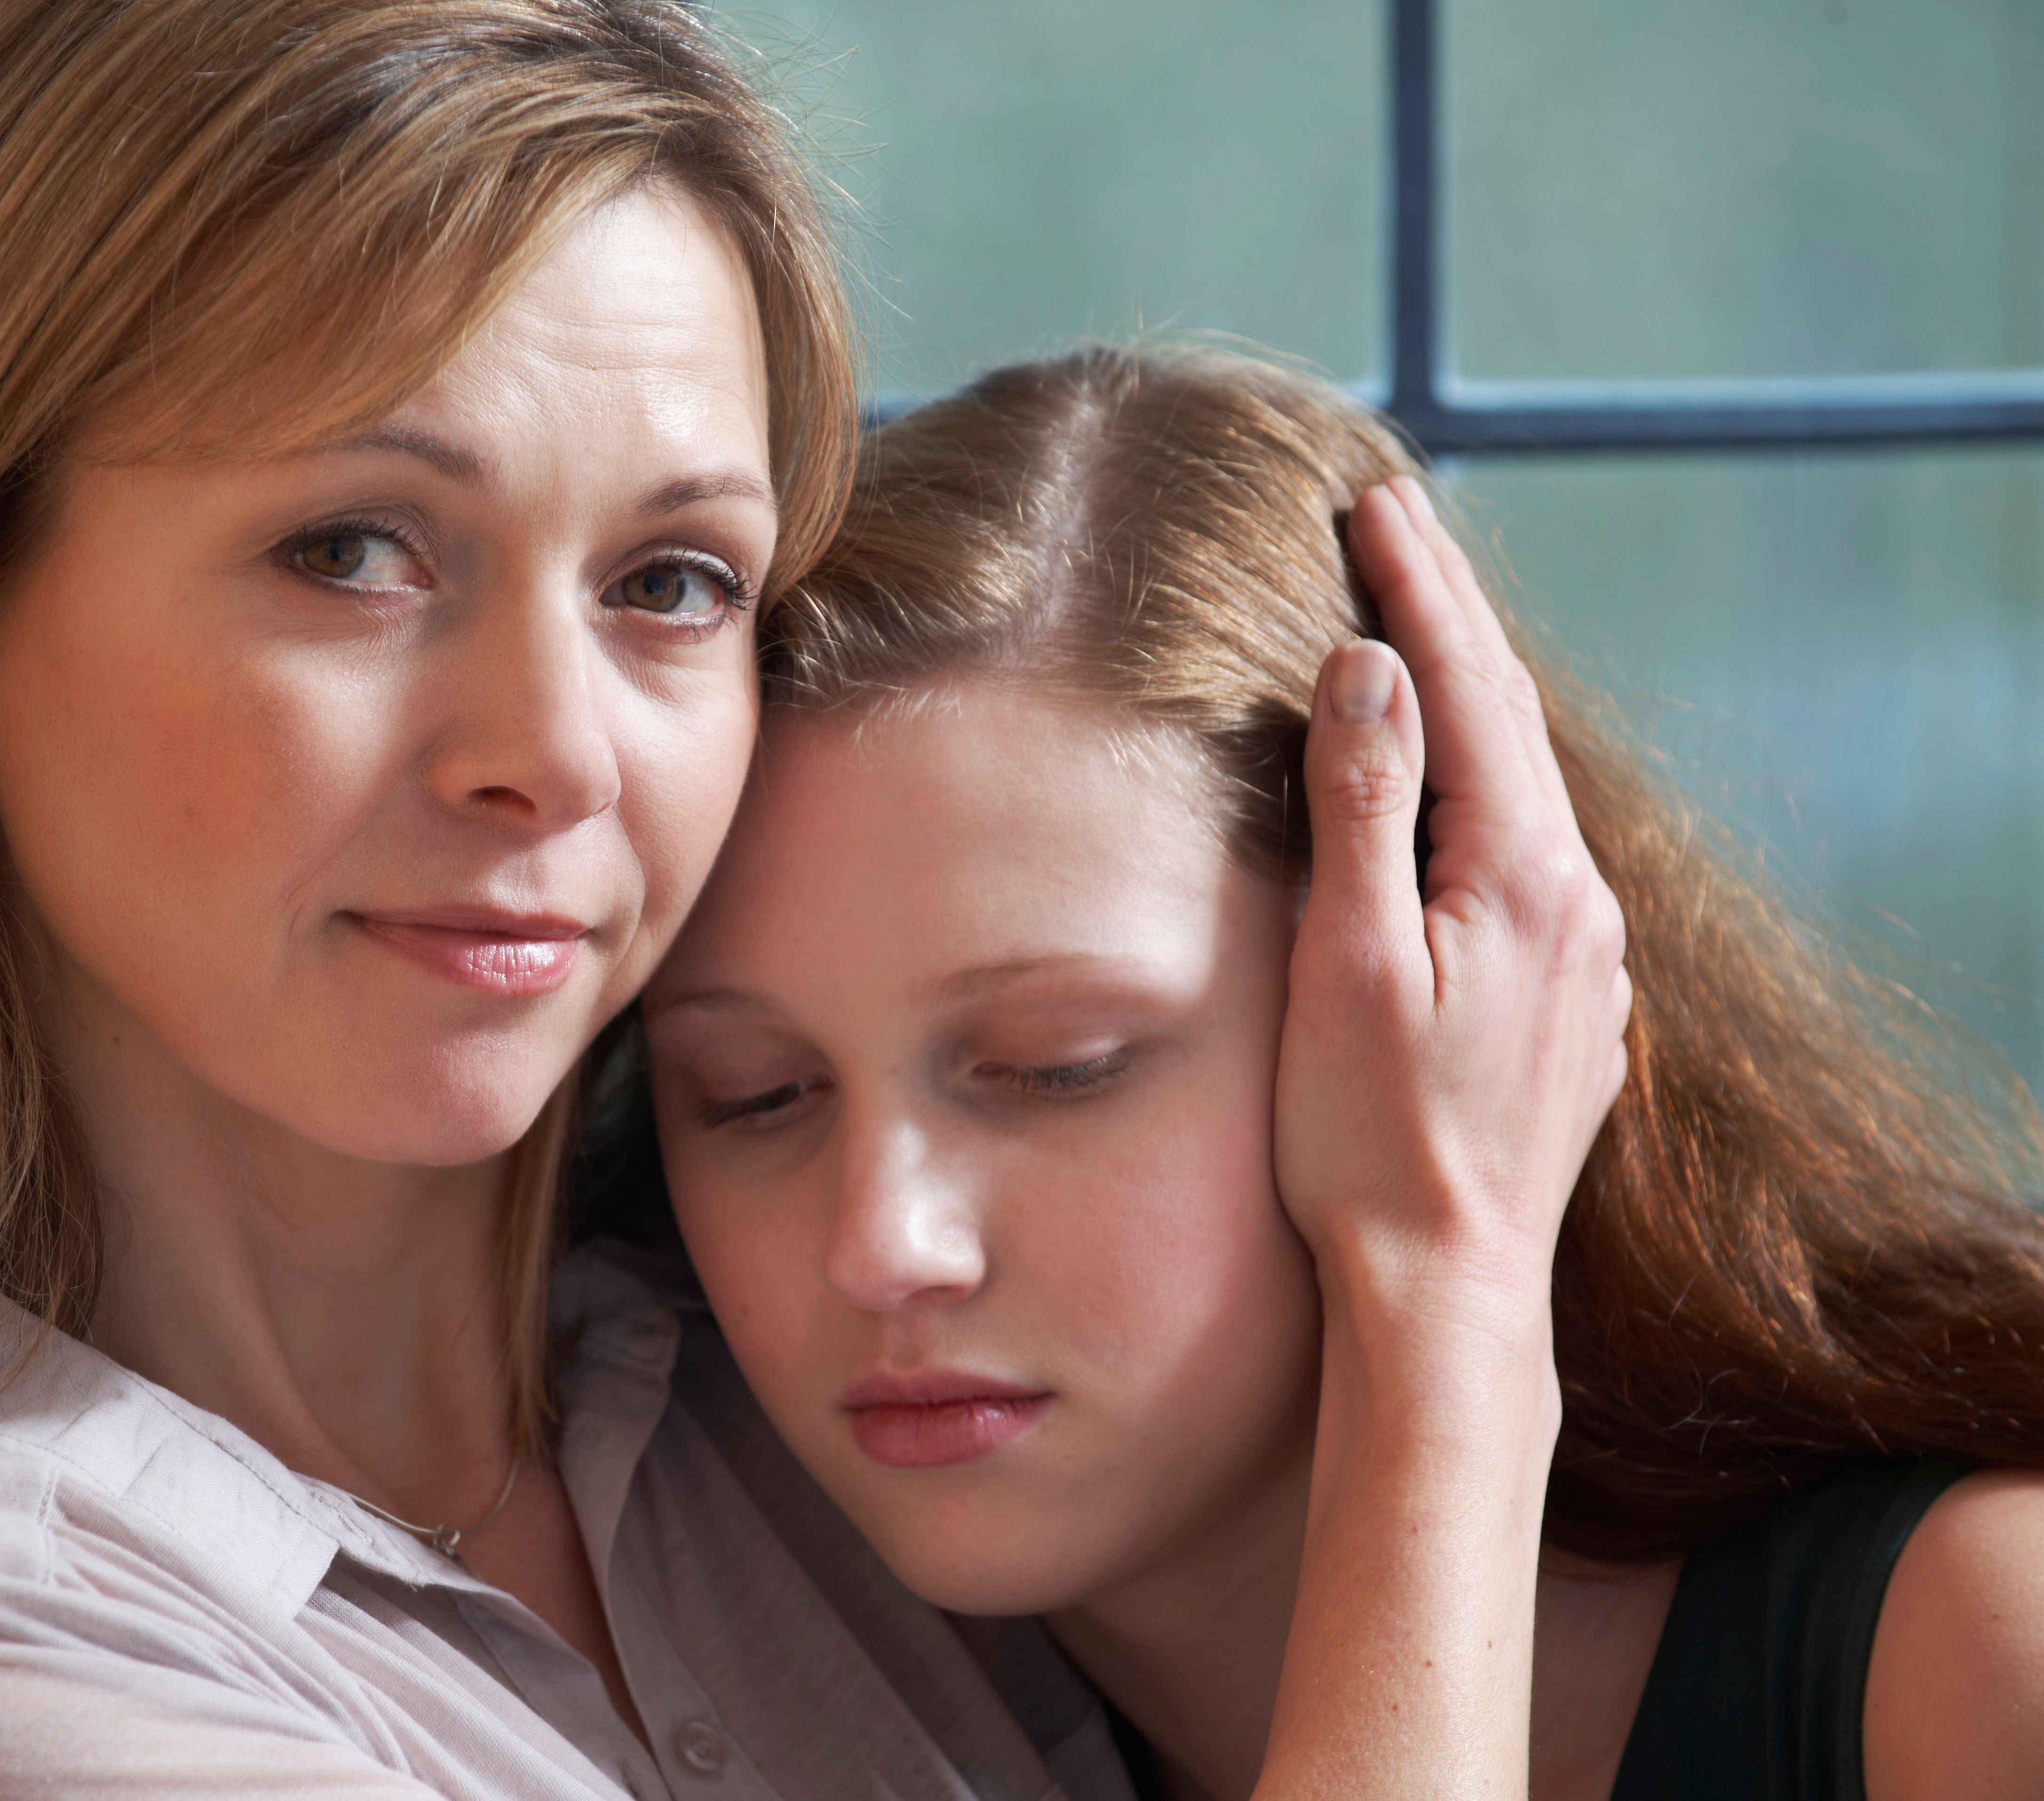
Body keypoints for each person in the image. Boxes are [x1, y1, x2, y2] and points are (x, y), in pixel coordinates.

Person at [0, 5, 1624, 1796]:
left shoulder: (844, 1412)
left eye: (671, 583)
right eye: (355, 549)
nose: (554, 747)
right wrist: (1447, 1336)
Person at [642, 341, 2044, 1801]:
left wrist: (1444, 1288)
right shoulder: (740, 1700)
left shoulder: (1980, 1662)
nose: (882, 1247)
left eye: (1060, 1067)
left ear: (1462, 1005)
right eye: (753, 1093)